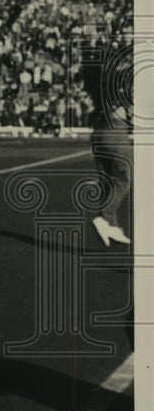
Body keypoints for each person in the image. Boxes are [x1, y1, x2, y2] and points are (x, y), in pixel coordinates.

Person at [80, 26, 132, 246]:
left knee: (107, 179)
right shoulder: (113, 79)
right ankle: (104, 217)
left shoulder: (91, 77)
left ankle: (109, 223)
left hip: (98, 130)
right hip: (114, 130)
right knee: (123, 176)